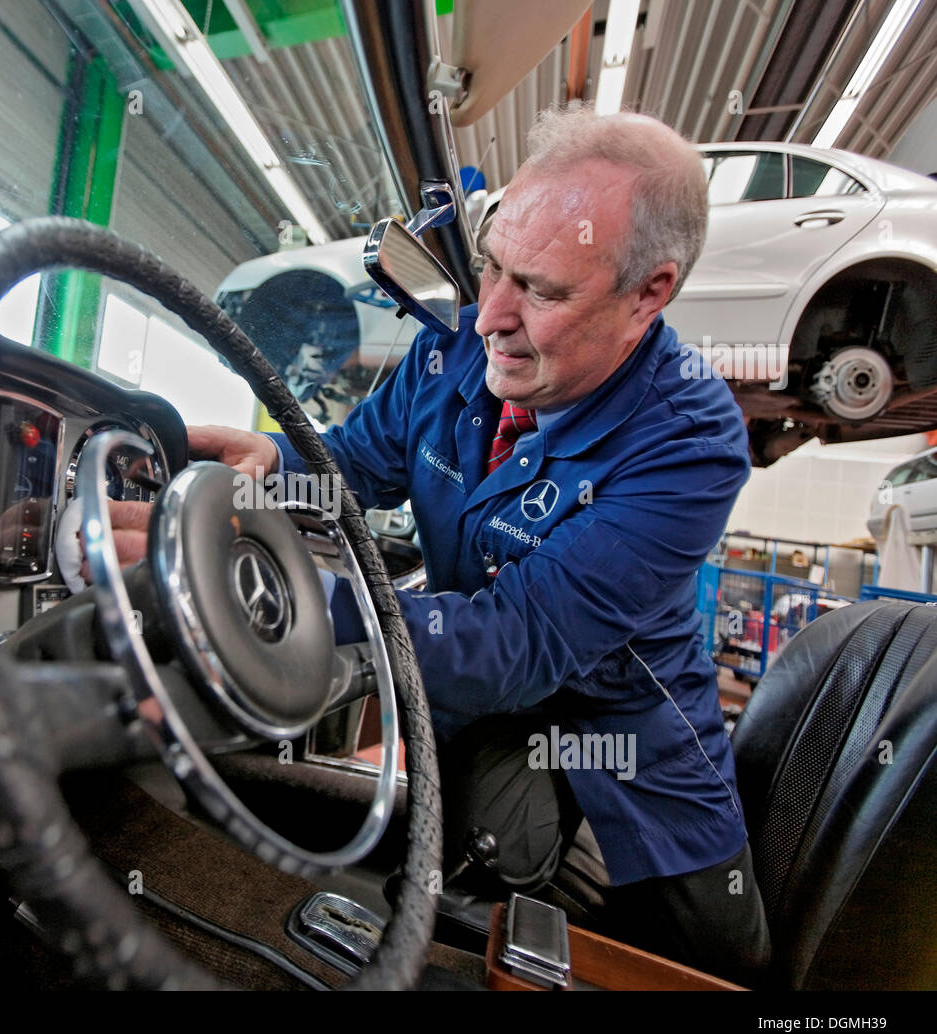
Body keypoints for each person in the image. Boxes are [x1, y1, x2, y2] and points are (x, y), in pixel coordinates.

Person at [113, 104, 771, 984]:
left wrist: (273, 594)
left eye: (539, 289)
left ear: (648, 293)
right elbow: (359, 464)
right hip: (478, 715)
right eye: (491, 266)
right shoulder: (461, 343)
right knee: (453, 898)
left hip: (628, 751)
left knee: (713, 974)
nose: (489, 314)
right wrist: (274, 461)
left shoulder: (691, 437)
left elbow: (518, 640)